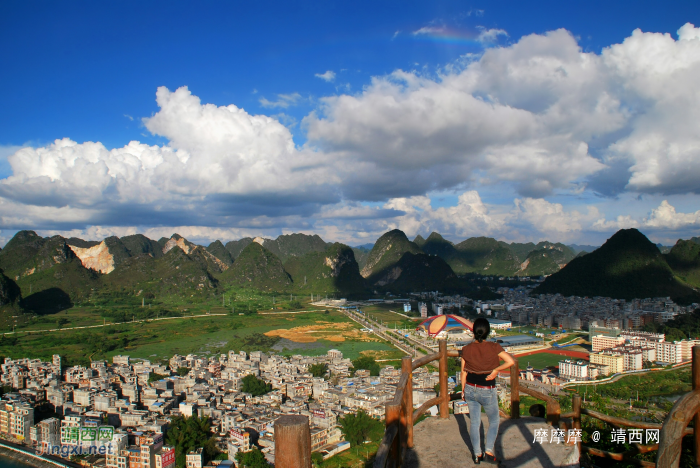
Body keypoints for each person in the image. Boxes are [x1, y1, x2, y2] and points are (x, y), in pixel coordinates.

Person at [461, 317, 515, 465]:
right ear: (487, 332)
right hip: (487, 389)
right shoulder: (494, 347)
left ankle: (477, 454)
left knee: (474, 423)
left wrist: (463, 390)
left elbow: (463, 373)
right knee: (494, 420)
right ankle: (489, 450)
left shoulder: (466, 349)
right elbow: (510, 362)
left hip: (471, 388)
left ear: (473, 331)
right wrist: (496, 370)